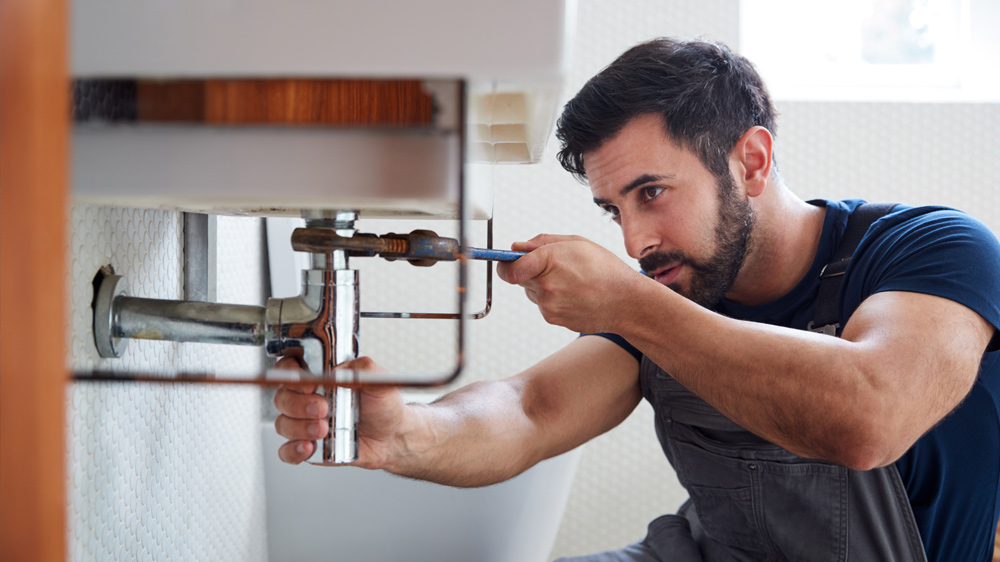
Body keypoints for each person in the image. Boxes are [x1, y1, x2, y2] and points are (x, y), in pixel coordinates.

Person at [273, 38, 1000, 561]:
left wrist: (628, 305)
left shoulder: (932, 250)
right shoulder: (675, 287)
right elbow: (531, 409)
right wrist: (405, 432)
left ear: (751, 160)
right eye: (614, 210)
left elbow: (869, 416)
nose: (635, 241)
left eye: (651, 193)